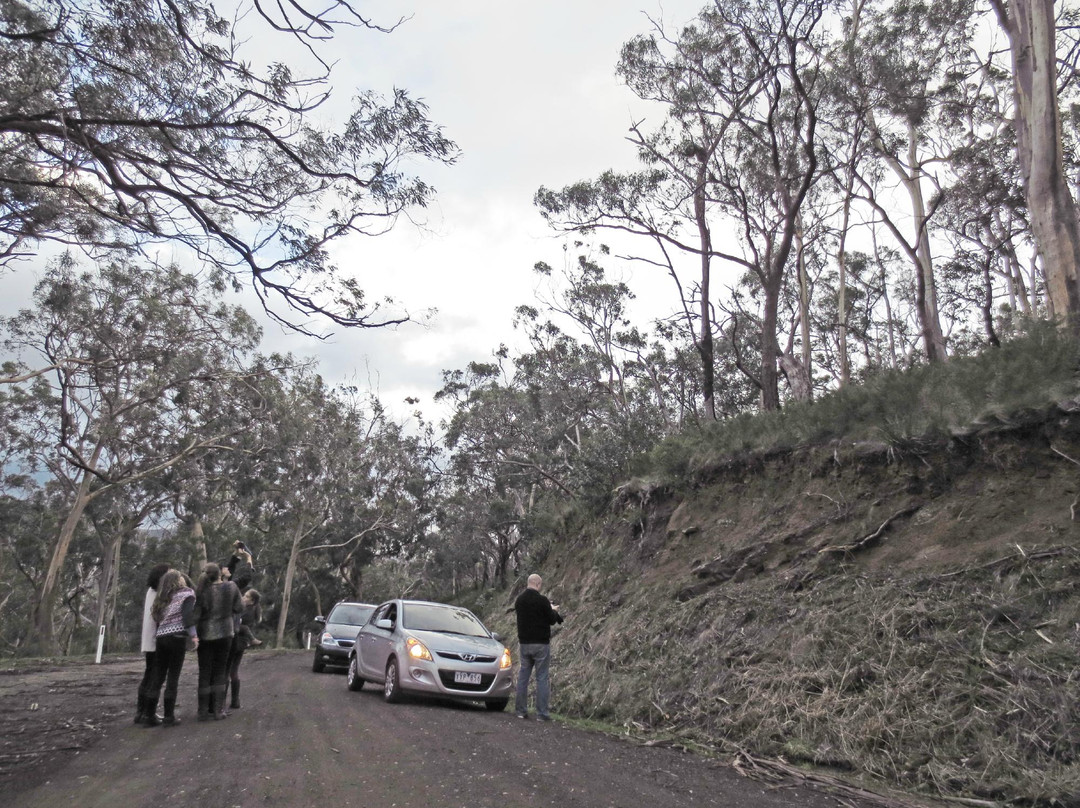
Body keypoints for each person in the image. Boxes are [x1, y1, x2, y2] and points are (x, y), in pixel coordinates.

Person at [144, 570, 198, 726]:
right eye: (181, 576)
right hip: (177, 638)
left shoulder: (163, 597)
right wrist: (194, 636)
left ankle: (149, 716)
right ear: (178, 580)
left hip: (161, 638)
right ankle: (169, 717)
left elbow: (156, 617)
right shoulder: (187, 593)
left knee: (158, 677)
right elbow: (188, 616)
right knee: (173, 677)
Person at [193, 562, 243, 721]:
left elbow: (196, 614)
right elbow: (239, 607)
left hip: (205, 634)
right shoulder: (232, 587)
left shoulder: (201, 590)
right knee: (220, 671)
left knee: (205, 671)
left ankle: (202, 711)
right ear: (219, 574)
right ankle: (218, 710)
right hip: (225, 634)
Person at [513, 573, 564, 721]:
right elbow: (552, 620)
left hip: (524, 644)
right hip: (541, 644)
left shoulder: (519, 600)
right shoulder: (542, 601)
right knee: (541, 678)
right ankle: (542, 714)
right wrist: (553, 610)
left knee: (523, 677)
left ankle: (520, 711)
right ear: (538, 584)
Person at [134, 563, 170, 725]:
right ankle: (149, 713)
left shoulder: (151, 591)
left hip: (149, 640)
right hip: (158, 640)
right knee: (156, 677)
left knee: (148, 675)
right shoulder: (160, 594)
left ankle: (140, 712)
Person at [224, 588, 262, 710]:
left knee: (227, 671)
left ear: (252, 601)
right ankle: (235, 701)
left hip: (236, 642)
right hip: (242, 643)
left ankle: (222, 701)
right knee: (233, 671)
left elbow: (238, 626)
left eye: (246, 596)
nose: (243, 597)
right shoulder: (251, 610)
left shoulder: (247, 611)